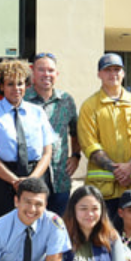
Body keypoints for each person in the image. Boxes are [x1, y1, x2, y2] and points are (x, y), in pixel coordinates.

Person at [0, 59, 56, 222]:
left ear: (26, 85)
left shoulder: (38, 113)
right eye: (10, 84)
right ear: (1, 86)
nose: (16, 89)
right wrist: (14, 180)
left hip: (35, 176)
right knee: (3, 230)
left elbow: (47, 152)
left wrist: (32, 179)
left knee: (35, 228)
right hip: (2, 180)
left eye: (20, 83)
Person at [78, 53, 131, 216]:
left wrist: (130, 167)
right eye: (107, 70)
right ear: (99, 74)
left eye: (117, 69)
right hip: (102, 190)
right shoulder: (89, 106)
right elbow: (89, 144)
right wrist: (117, 171)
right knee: (102, 237)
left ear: (124, 73)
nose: (113, 74)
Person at [25, 51, 81, 215]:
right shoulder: (23, 99)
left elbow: (75, 131)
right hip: (32, 176)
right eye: (41, 70)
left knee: (58, 226)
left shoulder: (66, 100)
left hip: (60, 178)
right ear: (33, 72)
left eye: (50, 70)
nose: (46, 74)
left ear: (57, 74)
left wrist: (76, 155)